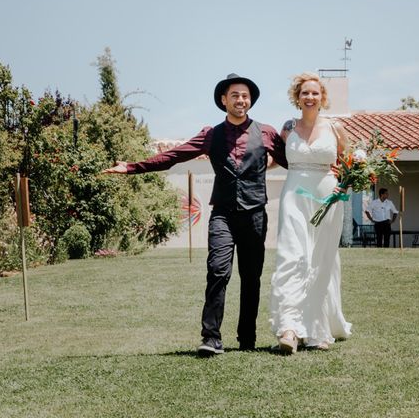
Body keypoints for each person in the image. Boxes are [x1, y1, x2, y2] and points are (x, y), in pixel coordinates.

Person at [103, 73, 287, 356]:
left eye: (245, 95)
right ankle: (211, 337)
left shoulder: (267, 133)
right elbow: (173, 156)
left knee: (251, 278)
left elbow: (293, 162)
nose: (241, 100)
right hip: (223, 214)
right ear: (224, 100)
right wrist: (131, 167)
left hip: (254, 215)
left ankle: (247, 337)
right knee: (217, 271)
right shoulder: (211, 135)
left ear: (251, 101)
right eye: (235, 95)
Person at [269, 72, 352, 354]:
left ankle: (317, 329)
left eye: (315, 93)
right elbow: (274, 159)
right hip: (294, 194)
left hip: (326, 196)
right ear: (297, 96)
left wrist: (347, 181)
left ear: (322, 97)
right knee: (292, 256)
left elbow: (350, 162)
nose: (310, 97)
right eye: (305, 92)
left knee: (321, 259)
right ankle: (289, 329)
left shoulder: (335, 128)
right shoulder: (287, 127)